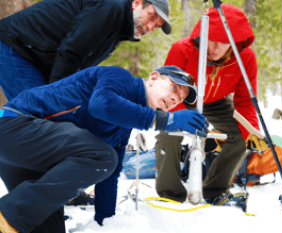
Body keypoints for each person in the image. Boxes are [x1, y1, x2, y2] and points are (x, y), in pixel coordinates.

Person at [0, 65, 208, 233]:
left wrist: (106, 224)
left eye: (180, 100)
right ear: (153, 77)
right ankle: (7, 214)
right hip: (14, 127)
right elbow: (102, 106)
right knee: (104, 157)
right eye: (174, 88)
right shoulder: (120, 78)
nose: (175, 100)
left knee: (44, 226)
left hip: (27, 161)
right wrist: (166, 120)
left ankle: (10, 216)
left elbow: (108, 176)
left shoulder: (123, 126)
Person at [155, 4, 266, 204]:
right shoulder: (182, 50)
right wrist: (182, 117)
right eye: (211, 41)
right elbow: (167, 90)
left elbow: (244, 101)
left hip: (217, 102)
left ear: (233, 42)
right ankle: (170, 192)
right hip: (181, 99)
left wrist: (251, 129)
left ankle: (215, 189)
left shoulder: (245, 59)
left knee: (242, 135)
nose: (214, 48)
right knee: (169, 130)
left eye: (222, 43)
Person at [0, 0, 171, 101]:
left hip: (35, 58)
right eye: (151, 16)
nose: (149, 27)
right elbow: (72, 51)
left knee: (46, 120)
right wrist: (57, 96)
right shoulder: (113, 7)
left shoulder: (118, 29)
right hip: (16, 47)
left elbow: (80, 67)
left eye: (155, 26)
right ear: (137, 3)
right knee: (35, 116)